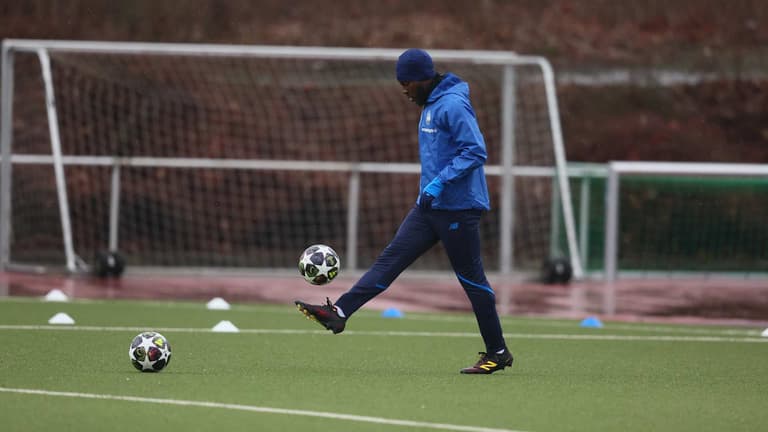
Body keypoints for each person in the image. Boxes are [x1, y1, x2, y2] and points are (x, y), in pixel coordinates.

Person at [295, 48, 512, 375]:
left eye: (407, 83)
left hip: (458, 209)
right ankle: (339, 312)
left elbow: (475, 151)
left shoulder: (452, 105)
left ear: (423, 79)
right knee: (389, 260)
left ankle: (498, 352)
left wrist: (439, 183)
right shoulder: (428, 105)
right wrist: (431, 191)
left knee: (472, 281)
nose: (404, 90)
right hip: (430, 207)